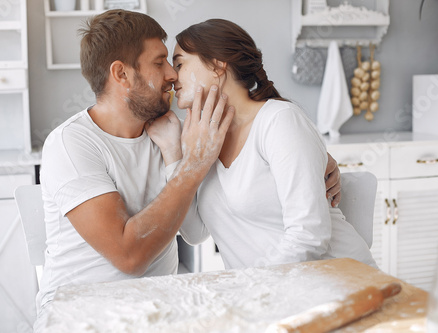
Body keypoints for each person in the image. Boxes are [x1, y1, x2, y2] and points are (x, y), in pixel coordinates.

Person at [34, 10, 233, 331]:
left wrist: (174, 154)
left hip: (156, 308)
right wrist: (192, 165)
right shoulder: (71, 144)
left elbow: (196, 235)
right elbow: (130, 257)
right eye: (159, 63)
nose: (173, 74)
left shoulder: (170, 132)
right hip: (83, 313)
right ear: (121, 73)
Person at [150, 18, 377, 269]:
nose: (172, 76)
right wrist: (174, 155)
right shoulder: (203, 140)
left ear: (217, 65)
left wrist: (253, 288)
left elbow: (309, 235)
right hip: (270, 293)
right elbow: (194, 233)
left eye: (179, 63)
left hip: (341, 284)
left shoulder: (279, 121)